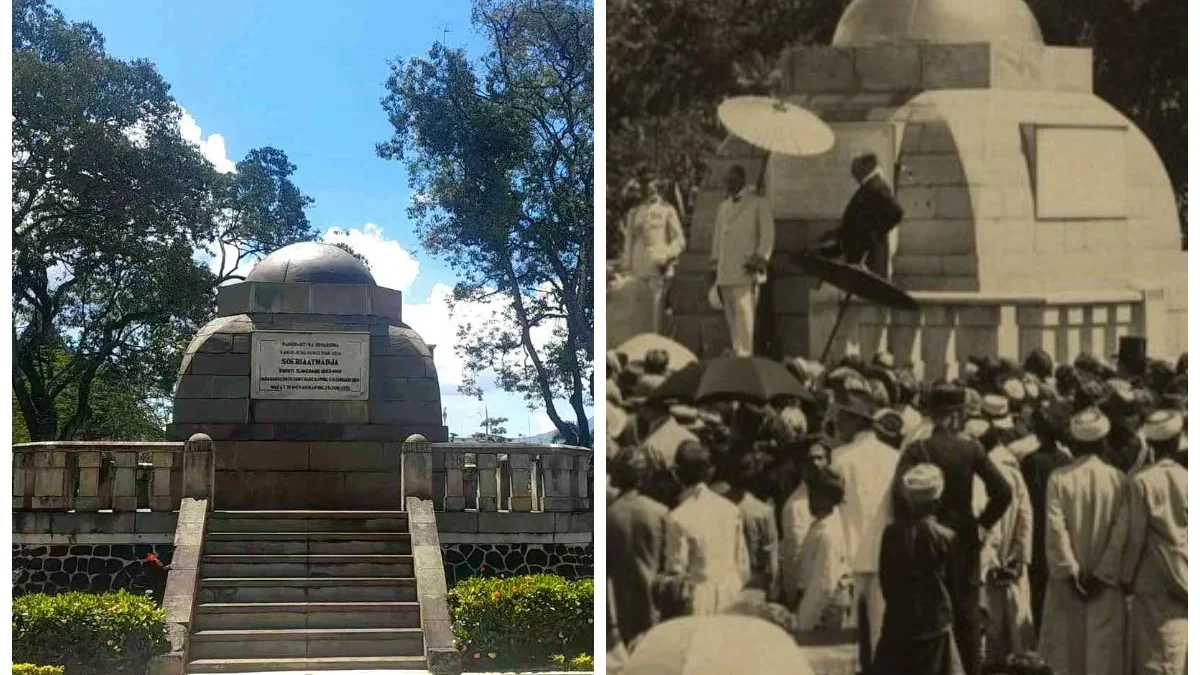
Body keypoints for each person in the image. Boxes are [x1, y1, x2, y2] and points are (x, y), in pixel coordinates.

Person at [894, 383, 1013, 675]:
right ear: (958, 413)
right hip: (964, 540)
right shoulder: (971, 448)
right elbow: (1003, 491)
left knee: (927, 613)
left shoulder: (918, 449)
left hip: (926, 539)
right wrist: (983, 525)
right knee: (966, 616)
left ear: (932, 413)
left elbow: (899, 495)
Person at [1039, 407, 1128, 675]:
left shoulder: (1059, 479)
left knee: (1067, 656)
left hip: (1068, 587)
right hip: (1106, 586)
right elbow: (1120, 534)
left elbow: (1056, 530)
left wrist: (1070, 572)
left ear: (1075, 443)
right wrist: (1103, 574)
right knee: (1104, 657)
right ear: (1103, 442)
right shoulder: (1118, 479)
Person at [828, 377, 897, 671]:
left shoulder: (840, 458)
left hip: (849, 560)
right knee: (884, 643)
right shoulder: (894, 457)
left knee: (849, 649)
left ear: (853, 420)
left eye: (841, 417)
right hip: (885, 559)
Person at [872, 463, 964, 675]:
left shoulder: (891, 534)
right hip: (935, 623)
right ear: (938, 498)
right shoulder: (946, 536)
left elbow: (886, 581)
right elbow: (954, 585)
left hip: (898, 623)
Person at [1121, 409, 1187, 675]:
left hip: (1152, 578)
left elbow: (1136, 536)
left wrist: (1125, 577)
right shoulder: (1187, 477)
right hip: (1185, 574)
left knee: (1152, 655)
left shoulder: (1142, 481)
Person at [607, 445, 681, 647]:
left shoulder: (608, 516)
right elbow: (671, 564)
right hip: (655, 607)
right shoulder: (660, 512)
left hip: (619, 609)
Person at [669, 440, 749, 615]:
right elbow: (743, 564)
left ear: (676, 474)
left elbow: (676, 572)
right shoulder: (731, 510)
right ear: (710, 473)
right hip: (732, 595)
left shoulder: (678, 517)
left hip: (698, 601)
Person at [709, 164, 775, 356]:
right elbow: (718, 236)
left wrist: (759, 259)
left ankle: (745, 358)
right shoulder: (723, 207)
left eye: (731, 179)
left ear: (741, 180)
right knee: (731, 320)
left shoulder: (757, 203)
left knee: (745, 318)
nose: (727, 183)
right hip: (726, 271)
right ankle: (737, 354)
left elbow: (767, 236)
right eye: (726, 180)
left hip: (746, 271)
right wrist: (715, 263)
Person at [817, 152, 904, 275]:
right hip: (861, 254)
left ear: (867, 168)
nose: (853, 175)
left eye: (856, 169)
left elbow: (897, 212)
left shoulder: (877, 187)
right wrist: (837, 233)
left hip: (868, 257)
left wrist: (874, 235)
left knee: (869, 289)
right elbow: (858, 222)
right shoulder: (870, 186)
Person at [621, 176, 687, 334]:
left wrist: (666, 256)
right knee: (637, 312)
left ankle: (653, 347)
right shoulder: (634, 211)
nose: (646, 189)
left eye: (650, 185)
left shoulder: (667, 210)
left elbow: (679, 240)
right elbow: (629, 241)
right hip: (637, 269)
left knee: (655, 312)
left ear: (657, 188)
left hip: (657, 268)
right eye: (644, 185)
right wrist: (626, 268)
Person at [794, 465, 852, 633]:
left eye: (814, 495)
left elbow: (824, 584)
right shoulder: (822, 524)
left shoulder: (829, 533)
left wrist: (803, 622)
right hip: (818, 599)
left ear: (826, 498)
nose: (810, 501)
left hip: (825, 609)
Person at [779, 440, 831, 609]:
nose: (816, 464)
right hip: (811, 589)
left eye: (820, 458)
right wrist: (796, 597)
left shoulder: (835, 495)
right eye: (810, 460)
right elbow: (795, 554)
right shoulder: (796, 506)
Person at [725, 451, 780, 600]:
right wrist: (773, 592)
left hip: (726, 581)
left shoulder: (716, 506)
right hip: (753, 583)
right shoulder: (762, 511)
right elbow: (770, 556)